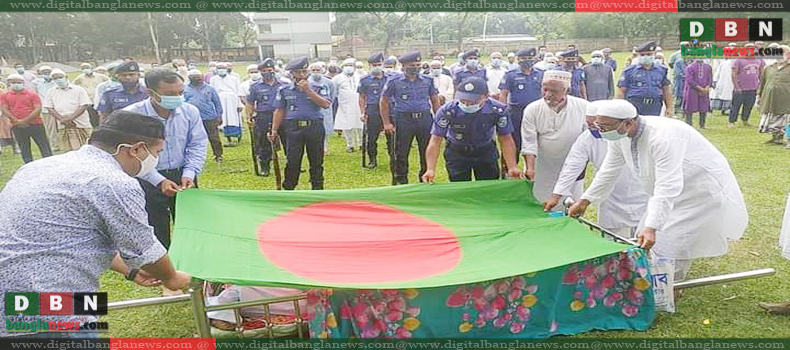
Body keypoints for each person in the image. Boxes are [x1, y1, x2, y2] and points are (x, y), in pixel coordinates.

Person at [0, 110, 193, 337]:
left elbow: (76, 236)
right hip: (46, 300)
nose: (155, 160)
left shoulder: (39, 166)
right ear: (137, 149)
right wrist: (172, 277)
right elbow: (144, 251)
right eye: (157, 152)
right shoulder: (112, 182)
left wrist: (130, 272)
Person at [568, 99, 748, 282]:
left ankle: (673, 285)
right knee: (646, 236)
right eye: (599, 126)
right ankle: (655, 281)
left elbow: (667, 184)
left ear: (628, 123)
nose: (601, 132)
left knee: (674, 241)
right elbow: (609, 169)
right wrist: (584, 201)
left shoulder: (663, 136)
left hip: (698, 191)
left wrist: (652, 227)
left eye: (605, 127)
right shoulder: (619, 135)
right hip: (667, 192)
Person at [123, 69, 208, 252]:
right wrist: (158, 180)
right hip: (147, 177)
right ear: (151, 93)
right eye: (170, 94)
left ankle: (192, 263)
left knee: (191, 223)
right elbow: (132, 154)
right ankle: (165, 268)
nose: (177, 98)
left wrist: (189, 173)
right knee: (155, 225)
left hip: (183, 176)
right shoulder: (132, 116)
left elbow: (197, 144)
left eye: (180, 93)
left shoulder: (189, 111)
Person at [543, 100, 648, 238]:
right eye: (590, 125)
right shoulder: (586, 138)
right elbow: (572, 166)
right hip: (610, 195)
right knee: (614, 241)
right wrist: (557, 195)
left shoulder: (627, 136)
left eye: (598, 125)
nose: (595, 129)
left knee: (644, 236)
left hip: (640, 190)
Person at [422, 77, 523, 183]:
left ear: (486, 97)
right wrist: (430, 169)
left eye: (472, 101)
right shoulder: (448, 110)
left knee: (488, 187)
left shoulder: (497, 110)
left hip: (485, 151)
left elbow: (505, 139)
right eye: (463, 101)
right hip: (457, 152)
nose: (467, 105)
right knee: (460, 189)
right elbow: (435, 140)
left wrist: (512, 167)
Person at [521, 70, 588, 211]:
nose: (548, 94)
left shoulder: (584, 107)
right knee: (543, 204)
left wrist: (582, 165)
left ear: (567, 90)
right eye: (545, 89)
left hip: (572, 166)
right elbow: (529, 142)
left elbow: (589, 142)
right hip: (543, 167)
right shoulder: (532, 109)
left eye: (554, 91)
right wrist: (530, 168)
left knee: (571, 207)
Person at [268, 57, 332, 190]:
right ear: (292, 74)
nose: (302, 75)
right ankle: (289, 188)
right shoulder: (284, 89)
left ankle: (317, 188)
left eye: (304, 72)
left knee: (316, 160)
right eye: (298, 72)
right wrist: (274, 130)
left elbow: (325, 104)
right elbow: (279, 110)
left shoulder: (319, 86)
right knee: (293, 160)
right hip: (293, 127)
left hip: (314, 126)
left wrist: (308, 91)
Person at [380, 51, 441, 185]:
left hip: (424, 119)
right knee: (400, 153)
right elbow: (384, 101)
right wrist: (386, 123)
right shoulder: (394, 81)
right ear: (404, 66)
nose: (415, 67)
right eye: (412, 65)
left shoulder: (428, 80)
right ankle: (400, 181)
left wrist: (437, 120)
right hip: (403, 120)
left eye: (418, 64)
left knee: (426, 151)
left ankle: (425, 179)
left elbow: (435, 100)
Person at [499, 47, 545, 160]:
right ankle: (509, 171)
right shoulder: (510, 74)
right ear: (518, 59)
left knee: (538, 142)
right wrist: (502, 112)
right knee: (515, 143)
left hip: (537, 113)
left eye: (530, 58)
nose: (527, 60)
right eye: (524, 58)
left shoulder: (541, 74)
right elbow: (503, 94)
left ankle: (534, 170)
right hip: (516, 114)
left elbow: (545, 93)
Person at [246, 59, 286, 176]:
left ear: (274, 70)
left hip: (283, 116)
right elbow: (250, 102)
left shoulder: (283, 84)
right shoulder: (255, 86)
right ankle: (265, 166)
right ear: (260, 72)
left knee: (288, 140)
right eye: (264, 71)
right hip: (264, 116)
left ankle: (292, 163)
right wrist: (249, 116)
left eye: (270, 70)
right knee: (264, 143)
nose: (268, 72)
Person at [0, 73, 52, 163]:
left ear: (23, 83)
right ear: (9, 83)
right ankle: (28, 165)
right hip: (16, 125)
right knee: (24, 148)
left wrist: (24, 121)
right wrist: (16, 120)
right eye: (13, 82)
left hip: (35, 124)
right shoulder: (5, 96)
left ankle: (50, 163)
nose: (16, 84)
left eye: (18, 82)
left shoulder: (32, 94)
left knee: (44, 146)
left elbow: (38, 108)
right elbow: (4, 109)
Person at [617, 41, 673, 117]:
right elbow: (621, 91)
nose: (645, 57)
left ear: (654, 54)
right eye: (642, 55)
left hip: (654, 106)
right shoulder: (629, 71)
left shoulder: (662, 70)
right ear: (638, 56)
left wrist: (669, 108)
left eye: (649, 54)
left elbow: (666, 90)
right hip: (635, 105)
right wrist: (622, 108)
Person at [358, 53, 394, 169]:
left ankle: (394, 159)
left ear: (383, 64)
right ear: (369, 65)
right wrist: (363, 112)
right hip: (373, 110)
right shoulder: (365, 80)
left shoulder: (391, 78)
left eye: (379, 64)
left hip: (390, 110)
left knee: (392, 136)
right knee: (372, 138)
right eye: (374, 65)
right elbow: (362, 97)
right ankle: (372, 160)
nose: (377, 66)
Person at [43, 69, 93, 152]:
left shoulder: (79, 89)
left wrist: (70, 119)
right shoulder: (51, 92)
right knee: (68, 150)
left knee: (86, 148)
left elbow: (84, 105)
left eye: (60, 77)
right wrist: (62, 119)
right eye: (55, 79)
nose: (58, 80)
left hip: (80, 123)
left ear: (66, 77)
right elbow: (49, 107)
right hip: (63, 124)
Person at [185, 69, 224, 163]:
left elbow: (217, 103)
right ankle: (193, 157)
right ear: (190, 78)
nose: (197, 79)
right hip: (192, 118)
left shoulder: (210, 88)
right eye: (194, 77)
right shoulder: (185, 89)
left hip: (209, 117)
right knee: (191, 138)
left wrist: (219, 115)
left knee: (214, 137)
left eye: (199, 76)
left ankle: (218, 155)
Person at [757, 46, 790, 145]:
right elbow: (762, 83)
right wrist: (759, 95)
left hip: (786, 99)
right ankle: (776, 138)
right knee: (772, 118)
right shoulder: (769, 68)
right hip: (770, 99)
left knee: (786, 120)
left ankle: (787, 140)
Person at [333, 58, 364, 153]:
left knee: (361, 125)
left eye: (351, 65)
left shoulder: (360, 77)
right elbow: (334, 92)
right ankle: (349, 144)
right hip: (345, 105)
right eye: (346, 65)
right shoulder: (337, 78)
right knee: (347, 125)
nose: (349, 67)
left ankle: (361, 143)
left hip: (359, 105)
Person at [210, 62, 244, 146]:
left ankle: (238, 137)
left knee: (235, 118)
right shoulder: (213, 79)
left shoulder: (234, 78)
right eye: (219, 68)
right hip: (220, 100)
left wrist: (239, 104)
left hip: (233, 100)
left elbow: (238, 91)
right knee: (224, 119)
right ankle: (228, 138)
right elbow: (213, 92)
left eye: (223, 68)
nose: (221, 70)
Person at [729, 50, 765, 128]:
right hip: (741, 88)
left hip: (753, 88)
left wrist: (760, 86)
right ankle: (732, 122)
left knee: (749, 105)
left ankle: (745, 121)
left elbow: (761, 74)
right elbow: (733, 74)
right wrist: (736, 86)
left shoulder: (759, 60)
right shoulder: (739, 60)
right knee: (736, 105)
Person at [308, 62, 336, 155]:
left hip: (325, 109)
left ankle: (324, 147)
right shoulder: (307, 82)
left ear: (322, 71)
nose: (316, 72)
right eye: (313, 70)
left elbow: (332, 95)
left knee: (325, 128)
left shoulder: (329, 82)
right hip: (311, 109)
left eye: (318, 70)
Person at [73, 62, 109, 128]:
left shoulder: (100, 76)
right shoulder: (80, 78)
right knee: (93, 119)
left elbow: (109, 82)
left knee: (102, 118)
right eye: (83, 68)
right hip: (89, 101)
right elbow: (73, 86)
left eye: (87, 68)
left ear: (91, 68)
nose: (85, 69)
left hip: (99, 101)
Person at [32, 65, 58, 151]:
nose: (47, 74)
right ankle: (54, 145)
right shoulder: (37, 83)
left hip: (59, 108)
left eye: (48, 72)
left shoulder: (56, 82)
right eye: (44, 73)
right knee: (51, 128)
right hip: (46, 109)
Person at [683, 59, 713, 129]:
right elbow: (689, 80)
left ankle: (702, 125)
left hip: (704, 90)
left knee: (703, 107)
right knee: (690, 107)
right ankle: (689, 124)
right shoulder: (689, 67)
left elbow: (710, 79)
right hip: (692, 90)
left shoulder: (708, 67)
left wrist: (707, 87)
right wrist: (700, 88)